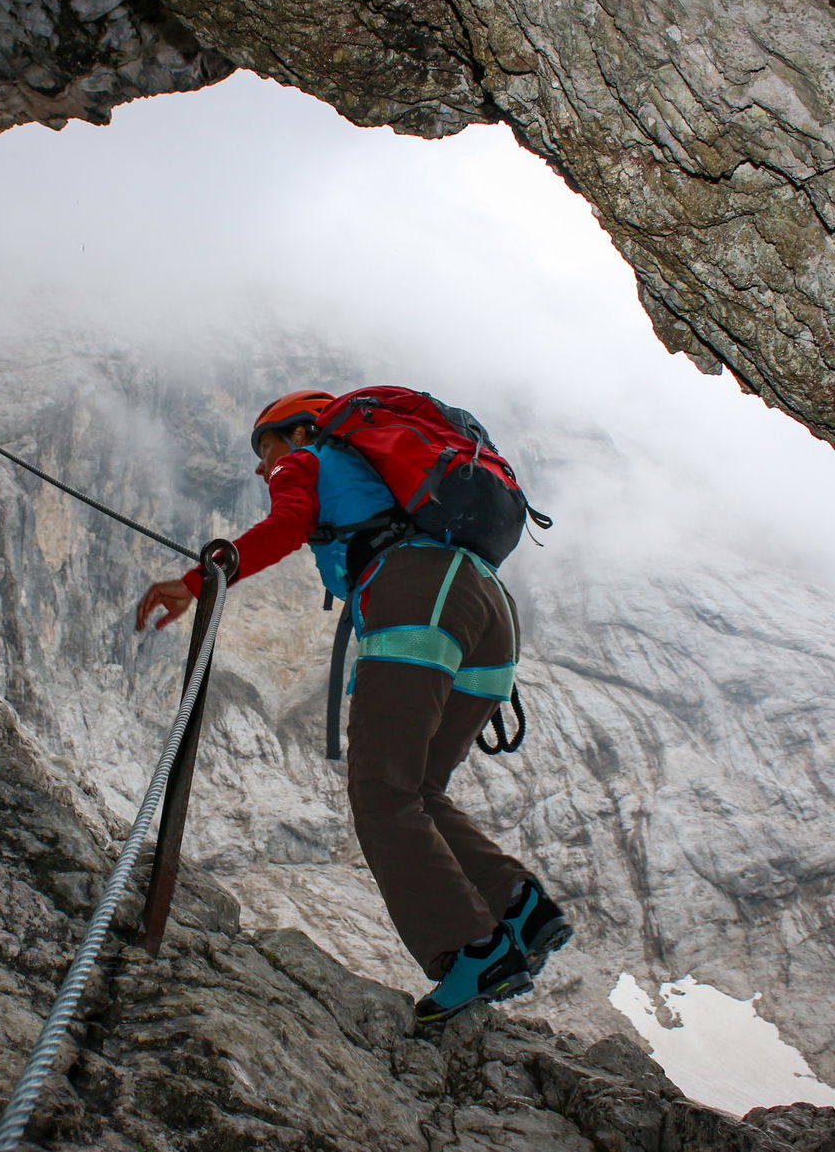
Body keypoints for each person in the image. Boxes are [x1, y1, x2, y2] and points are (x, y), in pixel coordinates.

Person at [135, 389, 572, 1022]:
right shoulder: (388, 479)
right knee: (420, 788)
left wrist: (195, 582)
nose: (261, 466)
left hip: (416, 596)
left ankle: (471, 951)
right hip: (489, 611)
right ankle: (519, 907)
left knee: (381, 791)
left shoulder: (309, 459)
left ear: (300, 432)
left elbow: (286, 525)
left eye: (266, 446)